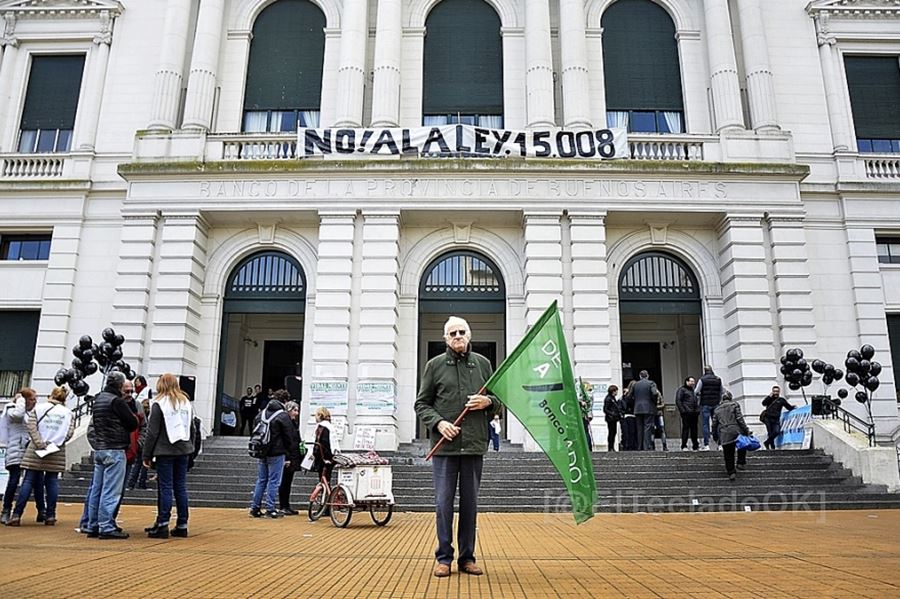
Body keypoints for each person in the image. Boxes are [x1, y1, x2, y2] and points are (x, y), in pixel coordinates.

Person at [414, 316, 499, 578]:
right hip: (445, 448)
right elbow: (421, 404)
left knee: (470, 505)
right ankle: (443, 557)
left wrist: (488, 402)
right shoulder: (434, 366)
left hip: (474, 446)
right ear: (445, 338)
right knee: (443, 504)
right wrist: (439, 424)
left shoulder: (483, 364)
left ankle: (467, 558)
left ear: (470, 335)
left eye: (462, 332)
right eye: (452, 333)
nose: (458, 336)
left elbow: (500, 400)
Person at [7, 386, 75, 527]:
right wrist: (55, 443)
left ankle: (17, 514)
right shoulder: (68, 413)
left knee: (28, 480)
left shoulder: (39, 408)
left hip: (36, 450)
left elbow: (31, 427)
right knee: (52, 481)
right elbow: (69, 432)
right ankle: (50, 515)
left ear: (51, 395)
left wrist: (39, 443)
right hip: (56, 450)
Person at [85, 372, 139, 539]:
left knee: (97, 489)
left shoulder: (99, 399)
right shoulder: (116, 401)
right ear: (119, 385)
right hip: (115, 448)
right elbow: (132, 423)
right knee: (111, 490)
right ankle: (106, 526)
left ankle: (92, 524)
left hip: (100, 448)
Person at [143, 373, 195, 538]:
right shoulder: (185, 402)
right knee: (180, 487)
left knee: (165, 487)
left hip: (165, 450)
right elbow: (192, 427)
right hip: (184, 449)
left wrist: (146, 454)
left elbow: (152, 432)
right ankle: (182, 523)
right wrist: (191, 447)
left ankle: (163, 523)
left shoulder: (159, 403)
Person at [1, 389, 45, 524]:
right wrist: (20, 400)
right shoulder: (12, 410)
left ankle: (41, 510)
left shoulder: (31, 412)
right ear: (24, 400)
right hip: (16, 449)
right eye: (32, 399)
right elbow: (18, 415)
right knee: (14, 480)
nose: (35, 401)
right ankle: (6, 510)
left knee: (38, 480)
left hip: (29, 449)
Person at [249, 390, 293, 519]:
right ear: (284, 401)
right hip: (277, 453)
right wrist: (288, 452)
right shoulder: (283, 416)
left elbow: (255, 429)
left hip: (262, 451)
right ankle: (270, 508)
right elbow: (289, 436)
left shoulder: (261, 413)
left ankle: (255, 508)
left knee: (261, 480)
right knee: (274, 481)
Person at [711, 390, 752, 481]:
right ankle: (741, 462)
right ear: (730, 398)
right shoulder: (734, 405)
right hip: (736, 430)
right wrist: (746, 430)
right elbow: (739, 418)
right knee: (742, 445)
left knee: (728, 453)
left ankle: (731, 471)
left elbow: (714, 424)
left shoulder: (717, 409)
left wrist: (715, 435)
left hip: (724, 432)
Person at [278, 399, 303, 515]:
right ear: (289, 410)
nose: (297, 413)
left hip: (293, 456)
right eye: (295, 410)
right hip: (289, 456)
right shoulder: (286, 423)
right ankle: (283, 505)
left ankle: (286, 505)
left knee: (288, 482)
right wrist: (287, 458)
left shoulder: (292, 423)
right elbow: (286, 441)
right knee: (285, 482)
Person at [309, 406, 336, 503]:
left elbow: (320, 444)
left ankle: (326, 505)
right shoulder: (330, 426)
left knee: (323, 480)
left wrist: (314, 455)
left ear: (320, 415)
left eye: (316, 415)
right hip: (331, 457)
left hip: (323, 459)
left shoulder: (321, 427)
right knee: (327, 480)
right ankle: (327, 505)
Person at [695, 365, 723, 450]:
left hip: (705, 404)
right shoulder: (718, 379)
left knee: (705, 424)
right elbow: (721, 391)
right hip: (716, 404)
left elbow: (696, 391)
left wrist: (700, 396)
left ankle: (706, 444)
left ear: (705, 371)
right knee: (717, 424)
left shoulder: (702, 380)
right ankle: (720, 444)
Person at [631, 371, 659, 451]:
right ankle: (647, 446)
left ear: (640, 376)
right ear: (647, 376)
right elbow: (654, 393)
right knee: (648, 427)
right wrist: (654, 402)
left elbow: (630, 396)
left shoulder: (635, 384)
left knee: (639, 428)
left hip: (637, 408)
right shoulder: (651, 383)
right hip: (648, 408)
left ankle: (639, 446)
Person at [761, 385, 796, 450]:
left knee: (777, 431)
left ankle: (767, 442)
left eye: (777, 391)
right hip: (768, 418)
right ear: (772, 392)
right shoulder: (769, 399)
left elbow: (788, 407)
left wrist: (793, 408)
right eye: (774, 391)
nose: (776, 393)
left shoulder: (781, 400)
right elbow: (763, 403)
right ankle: (772, 447)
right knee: (770, 432)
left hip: (776, 419)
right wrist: (769, 397)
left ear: (779, 392)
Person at [675, 377, 700, 451]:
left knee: (694, 430)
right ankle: (684, 445)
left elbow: (695, 401)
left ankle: (695, 445)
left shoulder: (693, 391)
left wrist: (697, 410)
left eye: (693, 381)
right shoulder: (682, 390)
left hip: (694, 413)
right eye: (691, 381)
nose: (693, 383)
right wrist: (683, 411)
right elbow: (678, 401)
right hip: (686, 413)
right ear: (687, 382)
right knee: (686, 429)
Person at [602, 385, 622, 452]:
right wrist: (612, 413)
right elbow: (605, 409)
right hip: (610, 419)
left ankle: (612, 447)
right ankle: (610, 447)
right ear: (613, 391)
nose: (617, 392)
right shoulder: (608, 398)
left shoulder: (612, 398)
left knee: (614, 432)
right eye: (616, 391)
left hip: (613, 419)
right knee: (611, 433)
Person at [620, 381, 637, 451]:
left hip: (628, 415)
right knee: (631, 432)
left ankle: (628, 446)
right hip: (630, 415)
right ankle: (630, 446)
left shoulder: (625, 396)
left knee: (629, 432)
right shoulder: (630, 396)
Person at [578, 380, 594, 450]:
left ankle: (588, 446)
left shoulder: (587, 395)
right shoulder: (590, 394)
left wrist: (580, 402)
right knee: (585, 430)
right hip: (588, 414)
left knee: (585, 431)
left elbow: (579, 400)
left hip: (584, 414)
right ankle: (588, 446)